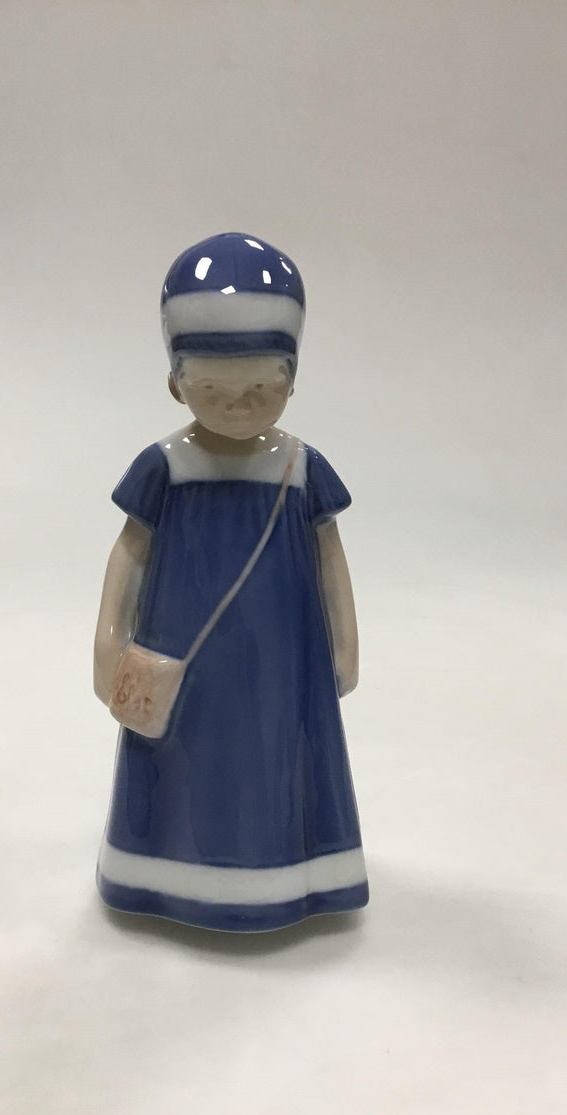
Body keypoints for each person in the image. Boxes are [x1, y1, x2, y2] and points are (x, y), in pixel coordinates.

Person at [93, 233, 368, 931]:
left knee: (276, 756)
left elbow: (329, 555)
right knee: (182, 755)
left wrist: (346, 644)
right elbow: (130, 551)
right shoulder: (166, 466)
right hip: (183, 655)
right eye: (212, 390)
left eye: (260, 390)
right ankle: (161, 875)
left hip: (282, 660)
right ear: (175, 384)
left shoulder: (300, 467)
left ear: (292, 380)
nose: (237, 406)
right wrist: (107, 641)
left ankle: (288, 880)